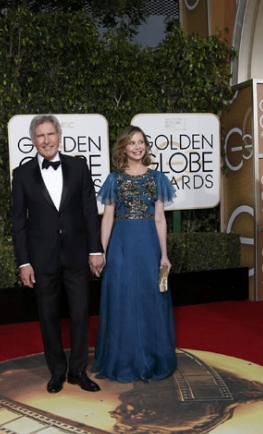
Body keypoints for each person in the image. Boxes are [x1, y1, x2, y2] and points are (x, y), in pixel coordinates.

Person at [11, 114, 105, 394]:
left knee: (80, 314)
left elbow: (90, 210)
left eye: (50, 134)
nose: (46, 140)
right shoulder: (22, 174)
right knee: (48, 317)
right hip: (42, 259)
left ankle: (78, 371)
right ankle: (57, 371)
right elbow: (18, 222)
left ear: (59, 136)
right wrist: (24, 261)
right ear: (33, 141)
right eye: (40, 136)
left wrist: (95, 249)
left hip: (77, 254)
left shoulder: (78, 166)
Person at [92, 125, 177, 383]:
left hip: (149, 245)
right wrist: (101, 251)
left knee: (149, 298)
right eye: (132, 143)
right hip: (122, 246)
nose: (138, 147)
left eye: (141, 142)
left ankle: (152, 357)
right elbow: (107, 218)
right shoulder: (114, 179)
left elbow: (160, 219)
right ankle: (123, 360)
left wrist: (164, 255)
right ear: (123, 148)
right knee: (121, 298)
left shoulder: (157, 178)